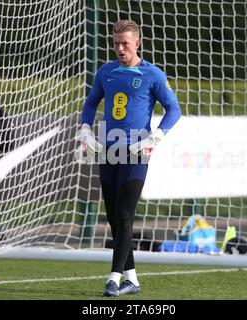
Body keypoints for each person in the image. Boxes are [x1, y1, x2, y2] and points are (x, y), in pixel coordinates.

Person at [78, 19, 181, 297]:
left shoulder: (152, 74)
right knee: (113, 217)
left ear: (137, 43)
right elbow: (90, 104)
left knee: (125, 214)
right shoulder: (106, 71)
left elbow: (174, 109)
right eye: (116, 43)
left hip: (136, 151)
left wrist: (155, 138)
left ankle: (113, 278)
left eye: (125, 43)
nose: (120, 48)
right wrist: (86, 130)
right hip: (109, 150)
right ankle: (132, 279)